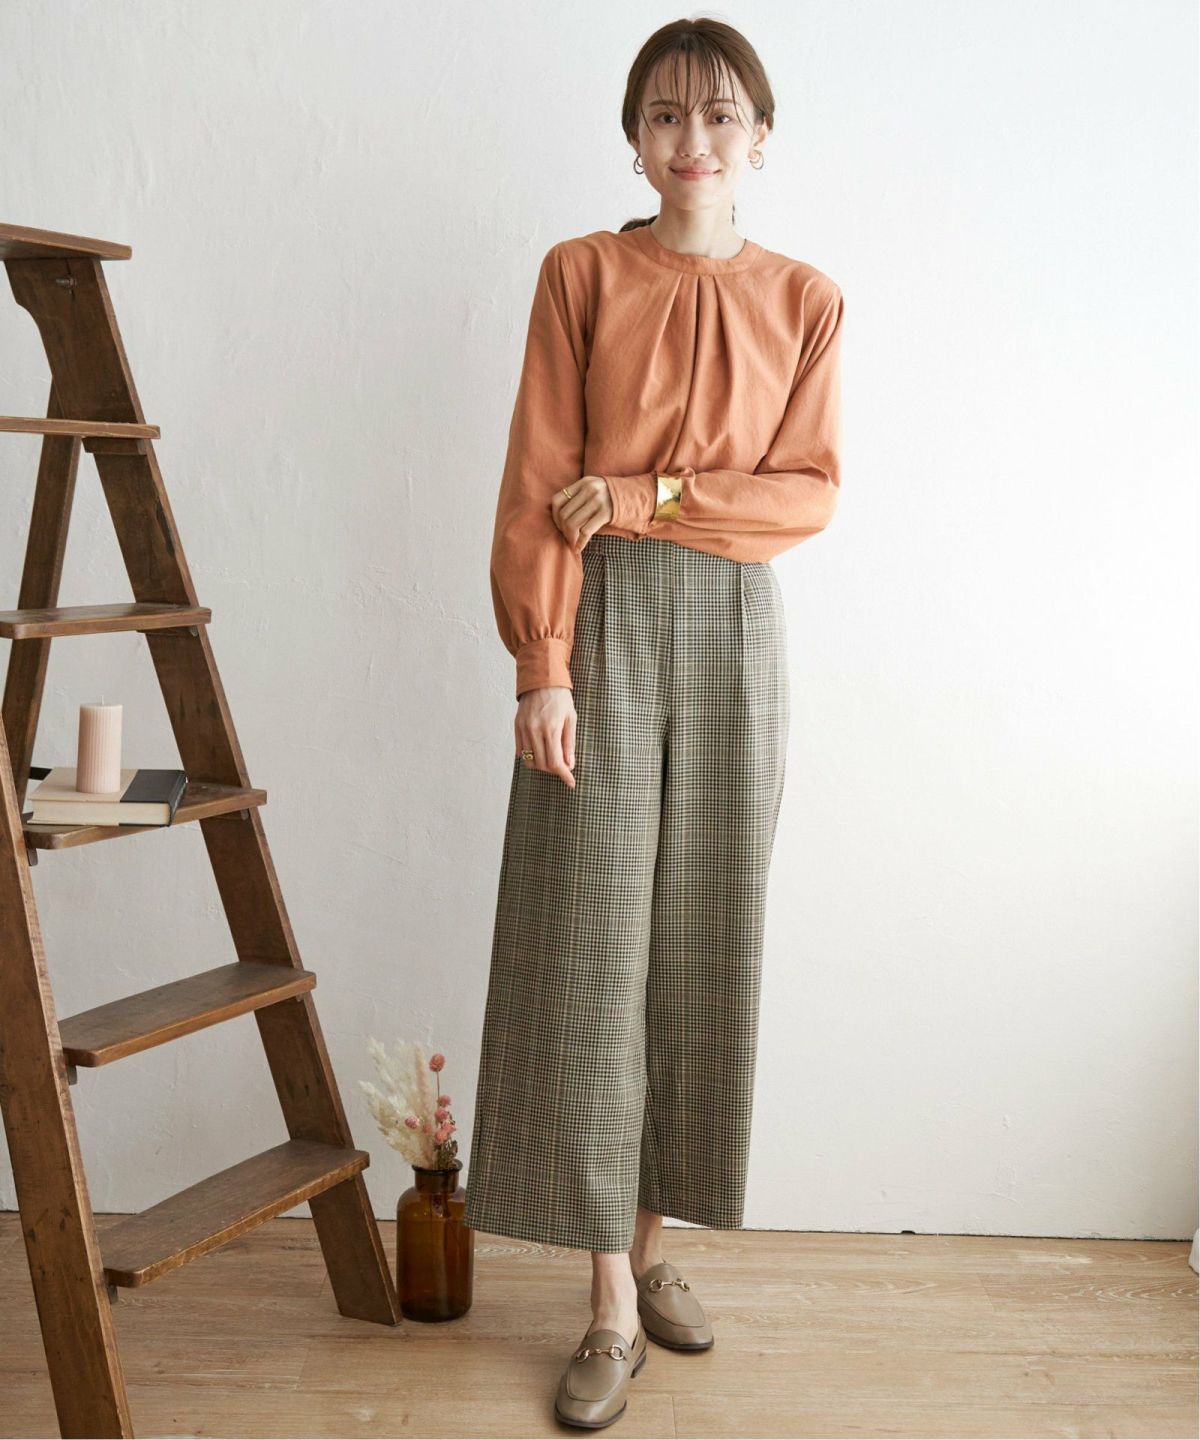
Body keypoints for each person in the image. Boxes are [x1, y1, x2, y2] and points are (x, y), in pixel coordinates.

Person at [462, 16, 844, 1429]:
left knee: (700, 939)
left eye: (721, 115)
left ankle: (651, 1240)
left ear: (761, 138)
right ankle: (608, 1301)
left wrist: (651, 494)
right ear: (634, 138)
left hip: (736, 630)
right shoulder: (582, 274)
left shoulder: (807, 299)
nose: (695, 141)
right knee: (591, 940)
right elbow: (537, 475)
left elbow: (806, 492)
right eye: (667, 115)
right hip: (605, 618)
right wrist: (542, 664)